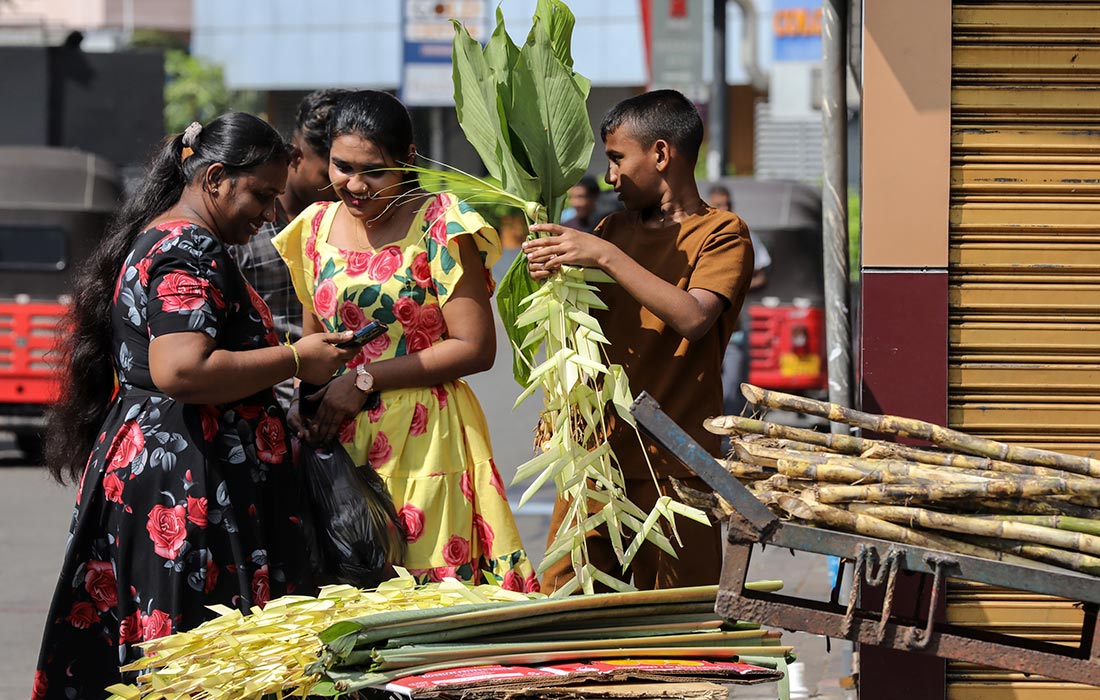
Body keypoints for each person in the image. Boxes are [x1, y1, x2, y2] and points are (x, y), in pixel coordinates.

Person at [31, 113, 359, 700]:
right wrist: (296, 358)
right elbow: (180, 369)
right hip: (185, 484)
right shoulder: (188, 248)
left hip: (177, 470)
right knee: (192, 658)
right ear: (214, 178)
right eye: (259, 195)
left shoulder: (172, 237)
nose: (267, 214)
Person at [273, 90, 538, 591]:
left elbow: (475, 347)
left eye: (373, 170)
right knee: (348, 591)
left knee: (429, 594)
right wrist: (304, 402)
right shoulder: (312, 227)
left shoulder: (441, 223)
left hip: (425, 437)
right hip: (339, 438)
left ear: (408, 160)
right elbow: (316, 345)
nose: (354, 185)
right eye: (341, 166)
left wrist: (367, 378)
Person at [523, 89, 754, 592]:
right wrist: (549, 275)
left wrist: (603, 256)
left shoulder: (722, 234)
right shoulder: (612, 229)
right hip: (595, 463)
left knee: (674, 628)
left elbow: (693, 316)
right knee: (566, 608)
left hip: (676, 471)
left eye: (617, 159)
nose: (610, 177)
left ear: (662, 154)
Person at [229, 89, 348, 410]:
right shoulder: (247, 225)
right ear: (296, 154)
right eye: (328, 175)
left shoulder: (347, 223)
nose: (341, 188)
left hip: (337, 400)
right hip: (263, 404)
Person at [707, 185, 772, 416]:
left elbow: (762, 272)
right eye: (718, 205)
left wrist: (733, 287)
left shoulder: (742, 234)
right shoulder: (702, 235)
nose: (724, 209)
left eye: (727, 204)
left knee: (732, 390)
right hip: (705, 330)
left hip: (734, 331)